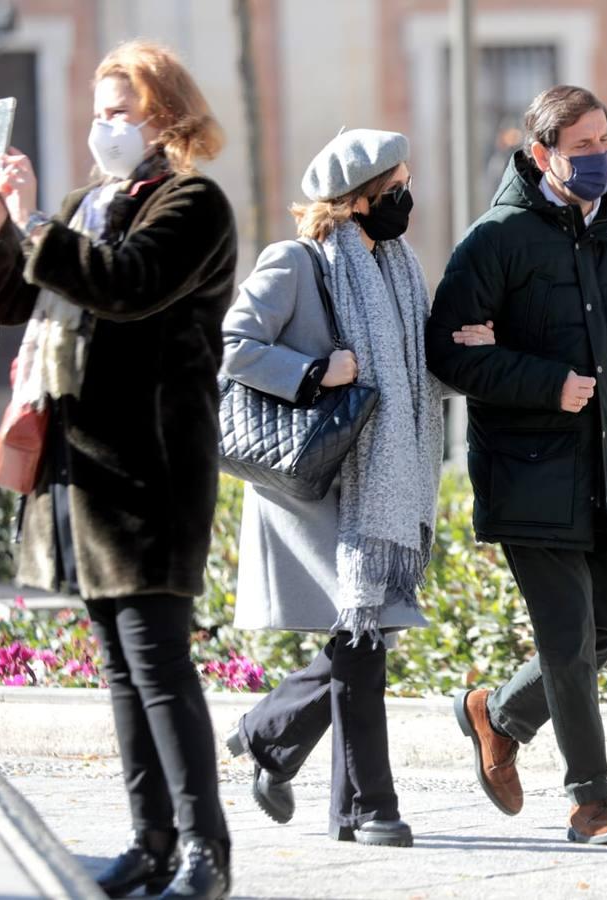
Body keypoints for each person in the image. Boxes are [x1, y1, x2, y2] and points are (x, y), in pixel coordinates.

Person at [0, 40, 238, 900]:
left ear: (166, 117)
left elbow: (127, 284)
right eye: (98, 111)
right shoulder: (88, 205)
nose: (103, 126)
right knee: (119, 668)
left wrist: (39, 225)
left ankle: (205, 851)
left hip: (152, 469)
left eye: (120, 112)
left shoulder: (194, 203)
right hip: (81, 473)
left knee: (158, 664)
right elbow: (9, 302)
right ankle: (151, 841)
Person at [425, 85, 607, 846]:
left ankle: (498, 713)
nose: (598, 157)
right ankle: (592, 803)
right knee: (569, 640)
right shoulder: (495, 241)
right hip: (530, 473)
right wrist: (548, 384)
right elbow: (446, 352)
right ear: (542, 154)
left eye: (605, 140)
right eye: (582, 147)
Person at [219, 129, 495, 848]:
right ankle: (367, 807)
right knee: (361, 639)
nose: (408, 199)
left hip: (379, 481)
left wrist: (456, 355)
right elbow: (234, 344)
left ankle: (269, 738)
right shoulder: (299, 263)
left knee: (363, 634)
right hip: (316, 478)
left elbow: (408, 373)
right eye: (396, 188)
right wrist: (315, 373)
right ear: (357, 199)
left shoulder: (400, 267)